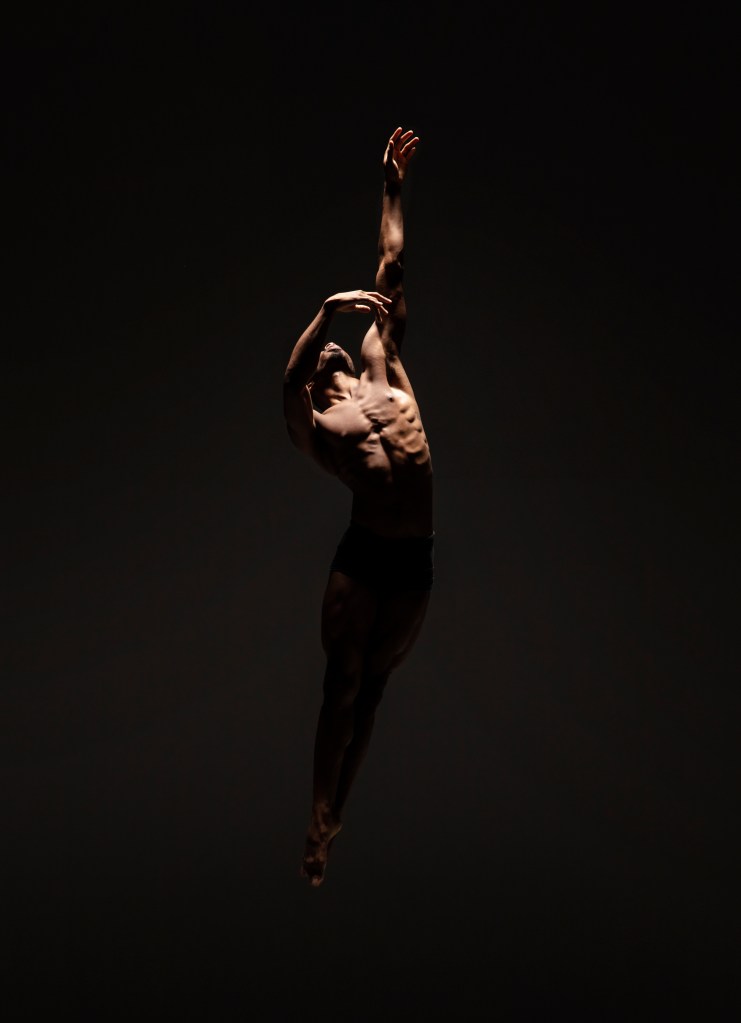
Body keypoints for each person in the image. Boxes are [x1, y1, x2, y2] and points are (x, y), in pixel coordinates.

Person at [283, 127, 434, 886]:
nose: (338, 345)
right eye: (323, 351)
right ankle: (316, 809)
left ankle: (331, 815)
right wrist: (323, 309)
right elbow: (284, 385)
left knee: (372, 688)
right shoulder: (318, 423)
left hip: (412, 557)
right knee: (340, 683)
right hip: (364, 557)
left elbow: (391, 261)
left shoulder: (382, 358)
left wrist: (391, 185)